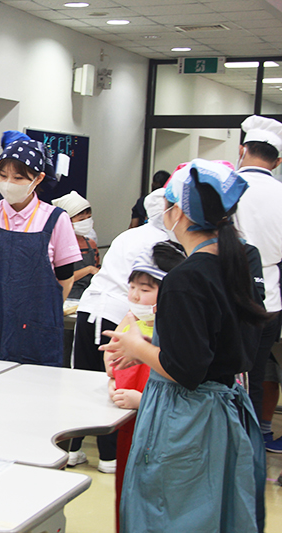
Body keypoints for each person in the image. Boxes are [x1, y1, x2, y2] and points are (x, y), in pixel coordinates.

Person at [102, 159, 267, 533]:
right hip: (222, 416)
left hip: (187, 423)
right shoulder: (237, 262)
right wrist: (146, 343)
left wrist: (136, 345)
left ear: (179, 212)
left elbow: (186, 369)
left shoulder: (186, 278)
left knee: (171, 515)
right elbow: (214, 347)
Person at [66, 187, 168, 472]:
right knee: (114, 386)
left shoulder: (129, 235)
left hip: (91, 310)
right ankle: (109, 457)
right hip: (124, 318)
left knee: (83, 383)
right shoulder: (166, 242)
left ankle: (73, 450)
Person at [0, 136, 81, 365]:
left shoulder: (56, 219)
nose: (8, 183)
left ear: (38, 178)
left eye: (18, 177)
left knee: (37, 390)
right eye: (2, 176)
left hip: (39, 326)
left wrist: (44, 313)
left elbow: (65, 279)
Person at [101, 241, 186, 533]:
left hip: (161, 430)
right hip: (129, 428)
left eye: (146, 289)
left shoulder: (177, 330)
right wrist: (113, 379)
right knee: (128, 494)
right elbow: (112, 361)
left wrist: (142, 400)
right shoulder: (130, 320)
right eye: (133, 287)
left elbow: (183, 383)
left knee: (156, 500)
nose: (136, 295)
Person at [232, 115, 282, 452]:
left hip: (229, 292)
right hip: (271, 298)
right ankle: (252, 442)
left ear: (241, 150)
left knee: (226, 373)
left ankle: (229, 442)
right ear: (278, 161)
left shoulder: (227, 187)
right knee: (257, 371)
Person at [51, 190, 100, 299]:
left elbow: (97, 270)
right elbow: (55, 278)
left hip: (87, 298)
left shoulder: (91, 244)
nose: (86, 222)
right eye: (81, 219)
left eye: (89, 218)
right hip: (65, 297)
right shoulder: (57, 245)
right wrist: (88, 269)